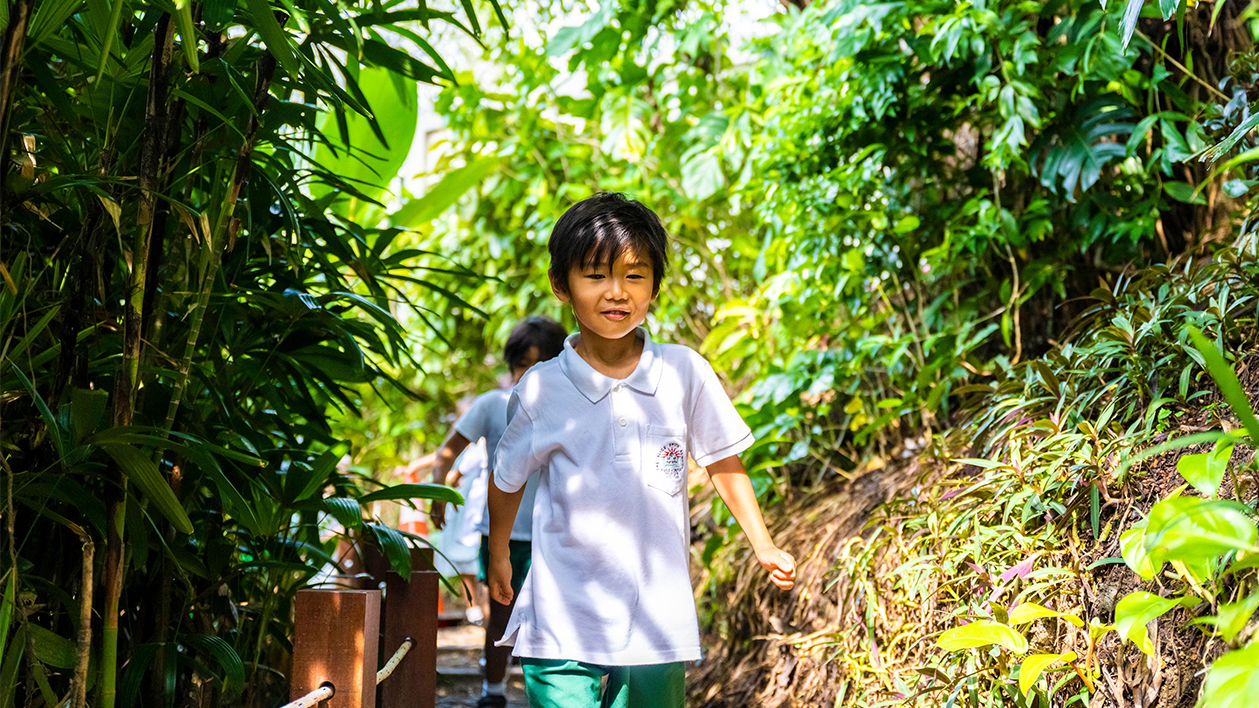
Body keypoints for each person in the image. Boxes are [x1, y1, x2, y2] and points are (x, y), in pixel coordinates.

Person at [487, 193, 796, 708]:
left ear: (654, 286)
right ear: (561, 285)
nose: (616, 292)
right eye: (595, 276)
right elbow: (508, 478)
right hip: (562, 610)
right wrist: (499, 554)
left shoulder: (684, 371)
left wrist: (761, 543)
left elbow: (722, 459)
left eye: (634, 275)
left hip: (656, 614)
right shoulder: (542, 389)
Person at [430, 316, 568, 708]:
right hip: (503, 534)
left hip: (556, 532)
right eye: (524, 363)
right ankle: (493, 692)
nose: (531, 373)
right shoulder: (493, 404)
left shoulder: (572, 407)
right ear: (511, 364)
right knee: (501, 616)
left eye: (542, 363)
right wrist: (439, 491)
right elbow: (447, 451)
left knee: (555, 615)